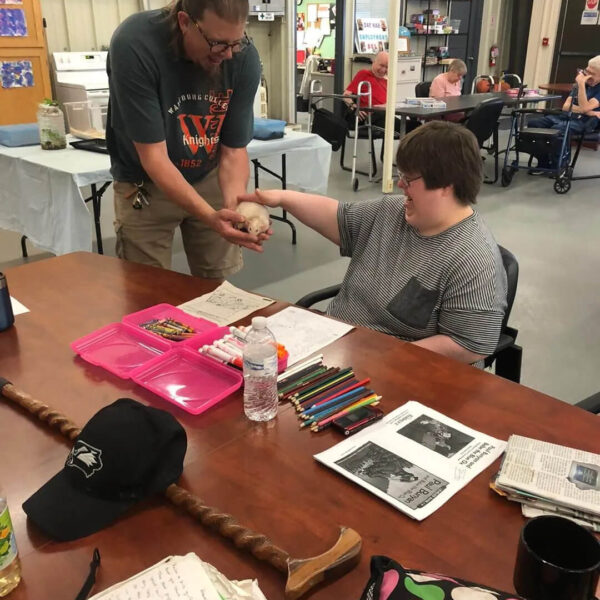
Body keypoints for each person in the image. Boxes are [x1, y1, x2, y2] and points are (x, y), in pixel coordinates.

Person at [240, 121, 507, 366]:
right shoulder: (394, 212)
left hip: (392, 367)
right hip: (338, 343)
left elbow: (469, 345)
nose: (400, 184)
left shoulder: (473, 257)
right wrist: (281, 198)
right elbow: (338, 217)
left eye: (410, 178)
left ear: (446, 185)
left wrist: (385, 357)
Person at [106, 0, 268, 279]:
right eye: (218, 43)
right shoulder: (135, 44)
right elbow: (154, 157)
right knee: (147, 288)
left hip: (208, 173)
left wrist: (234, 210)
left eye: (236, 42)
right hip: (146, 183)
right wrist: (209, 217)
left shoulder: (243, 57)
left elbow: (233, 151)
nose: (228, 54)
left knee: (216, 288)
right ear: (184, 22)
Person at [527, 55, 600, 171]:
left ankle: (560, 167)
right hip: (565, 116)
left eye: (592, 74)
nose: (587, 76)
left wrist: (581, 85)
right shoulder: (580, 84)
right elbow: (566, 106)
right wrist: (589, 111)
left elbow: (585, 107)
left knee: (558, 129)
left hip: (585, 122)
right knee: (534, 124)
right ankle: (544, 162)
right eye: (587, 71)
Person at [343, 52, 411, 133]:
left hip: (384, 116)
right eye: (381, 65)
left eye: (387, 67)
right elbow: (346, 95)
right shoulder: (364, 74)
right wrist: (355, 108)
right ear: (374, 62)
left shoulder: (387, 82)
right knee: (405, 128)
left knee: (415, 125)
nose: (383, 70)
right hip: (368, 118)